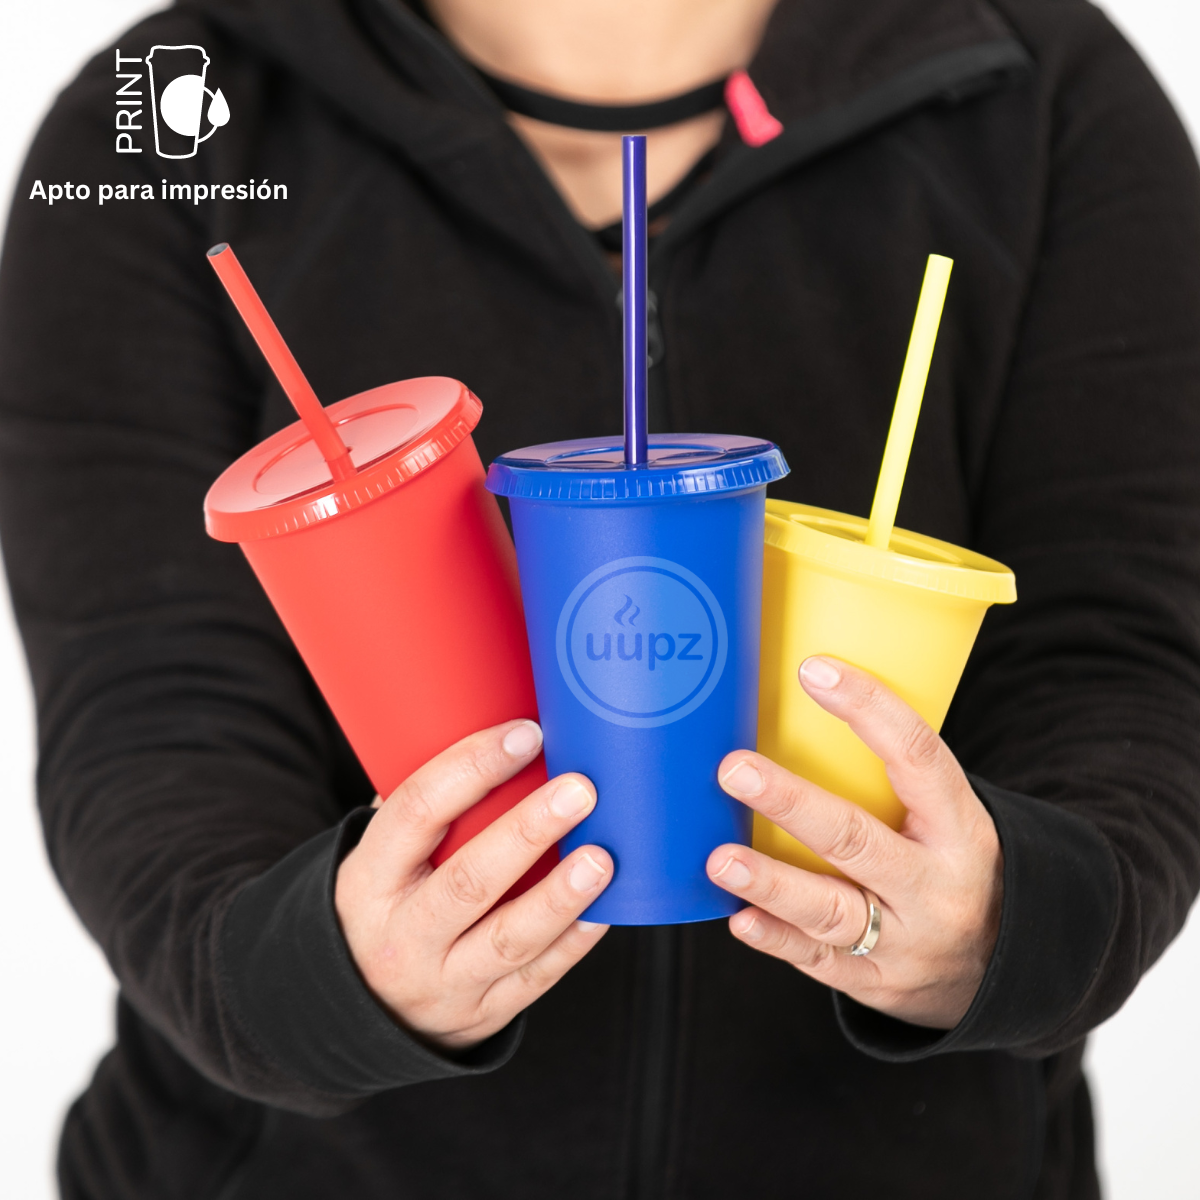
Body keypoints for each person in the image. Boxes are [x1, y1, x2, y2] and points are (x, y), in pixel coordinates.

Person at [2, 0, 1199, 1196]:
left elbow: (1119, 658)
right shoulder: (161, 117)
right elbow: (151, 706)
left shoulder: (1040, 86)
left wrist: (1013, 930)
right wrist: (313, 984)